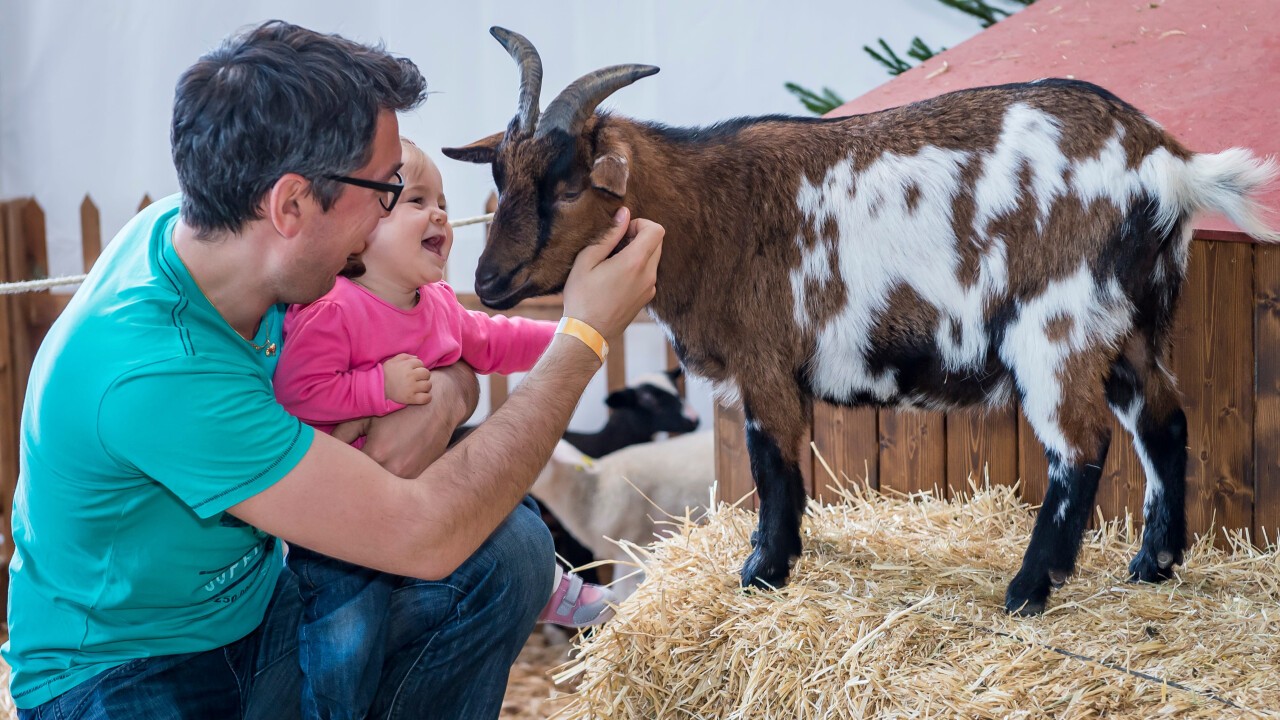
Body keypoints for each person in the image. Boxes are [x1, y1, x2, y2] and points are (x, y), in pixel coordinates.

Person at [2, 19, 661, 720]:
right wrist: (583, 337)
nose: (389, 212)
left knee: (509, 548)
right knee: (456, 542)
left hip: (253, 621)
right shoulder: (156, 371)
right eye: (383, 190)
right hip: (122, 679)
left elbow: (444, 354)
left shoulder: (224, 240)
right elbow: (423, 533)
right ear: (290, 205)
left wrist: (442, 390)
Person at [274, 138, 617, 719]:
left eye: (441, 201)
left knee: (498, 498)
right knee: (346, 645)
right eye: (415, 201)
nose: (439, 214)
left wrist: (575, 332)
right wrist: (376, 388)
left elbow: (494, 340)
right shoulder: (332, 307)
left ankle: (543, 584)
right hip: (338, 531)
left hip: (413, 498)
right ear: (360, 234)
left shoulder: (436, 303)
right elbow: (297, 393)